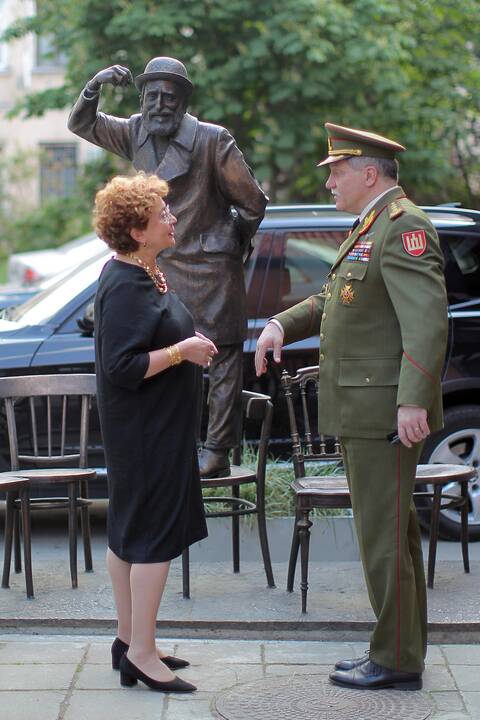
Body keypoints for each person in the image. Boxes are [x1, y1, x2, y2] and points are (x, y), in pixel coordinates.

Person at [255, 123, 448, 691]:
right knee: (391, 532)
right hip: (367, 409)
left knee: (383, 537)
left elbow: (427, 322)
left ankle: (393, 660)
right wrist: (279, 324)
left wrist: (412, 402)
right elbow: (334, 298)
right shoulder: (370, 226)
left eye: (337, 171)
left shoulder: (403, 225)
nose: (331, 180)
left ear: (369, 174)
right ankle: (400, 653)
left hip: (383, 411)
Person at [69, 57, 268, 479]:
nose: (159, 104)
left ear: (183, 102)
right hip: (163, 263)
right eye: (151, 95)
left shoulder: (214, 140)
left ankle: (216, 450)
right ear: (142, 98)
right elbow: (81, 125)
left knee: (223, 354)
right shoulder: (135, 131)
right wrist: (96, 84)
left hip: (211, 265)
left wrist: (230, 241)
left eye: (169, 97)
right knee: (173, 356)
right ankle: (179, 444)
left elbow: (253, 202)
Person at [93, 172, 217, 693]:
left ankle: (130, 640)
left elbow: (155, 330)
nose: (172, 217)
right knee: (150, 539)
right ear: (139, 231)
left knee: (129, 535)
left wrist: (187, 343)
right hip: (146, 436)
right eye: (163, 213)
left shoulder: (143, 273)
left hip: (154, 429)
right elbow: (121, 366)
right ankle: (142, 653)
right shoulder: (124, 282)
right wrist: (181, 351)